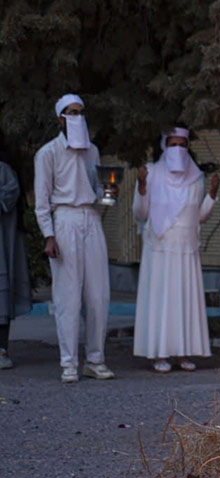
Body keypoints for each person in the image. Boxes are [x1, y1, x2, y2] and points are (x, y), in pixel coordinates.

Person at [34, 94, 116, 383]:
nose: (77, 116)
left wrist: (108, 194)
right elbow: (42, 200)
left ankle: (95, 359)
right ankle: (69, 363)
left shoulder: (92, 151)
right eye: (71, 112)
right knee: (68, 296)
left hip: (90, 218)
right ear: (60, 118)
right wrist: (49, 235)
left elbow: (100, 188)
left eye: (80, 112)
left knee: (98, 294)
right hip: (65, 219)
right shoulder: (48, 153)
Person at [133, 127, 219, 372]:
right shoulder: (151, 173)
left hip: (186, 247)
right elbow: (141, 213)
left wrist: (212, 196)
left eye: (183, 144)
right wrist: (141, 188)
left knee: (184, 299)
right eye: (173, 144)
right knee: (162, 299)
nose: (178, 149)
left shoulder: (196, 177)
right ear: (164, 146)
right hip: (159, 246)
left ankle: (183, 353)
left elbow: (199, 216)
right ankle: (160, 353)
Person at [0, 159, 32, 368]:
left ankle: (1, 348)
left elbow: (10, 194)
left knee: (1, 298)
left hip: (2, 244)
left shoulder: (4, 170)